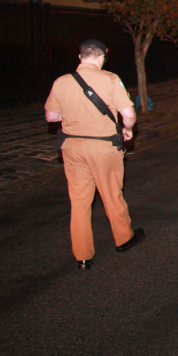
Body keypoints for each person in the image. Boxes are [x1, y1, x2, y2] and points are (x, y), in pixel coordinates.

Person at [44, 39, 145, 270]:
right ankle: (124, 238)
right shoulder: (110, 79)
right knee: (111, 194)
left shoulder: (61, 82)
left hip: (72, 149)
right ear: (102, 58)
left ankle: (83, 256)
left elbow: (50, 117)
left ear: (80, 57)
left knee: (79, 202)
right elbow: (128, 114)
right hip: (102, 148)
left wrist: (74, 114)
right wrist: (128, 130)